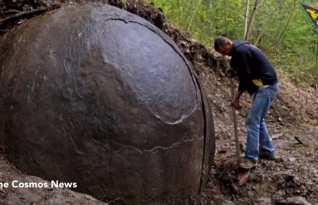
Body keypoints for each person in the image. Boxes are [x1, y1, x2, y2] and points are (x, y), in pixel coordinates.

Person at [214, 36, 279, 168]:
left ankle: (251, 158)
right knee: (258, 120)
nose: (225, 55)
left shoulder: (241, 51)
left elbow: (244, 77)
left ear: (227, 43)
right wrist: (233, 70)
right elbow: (242, 71)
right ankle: (268, 151)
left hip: (266, 87)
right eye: (222, 54)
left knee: (252, 120)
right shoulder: (240, 50)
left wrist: (237, 98)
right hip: (262, 87)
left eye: (224, 52)